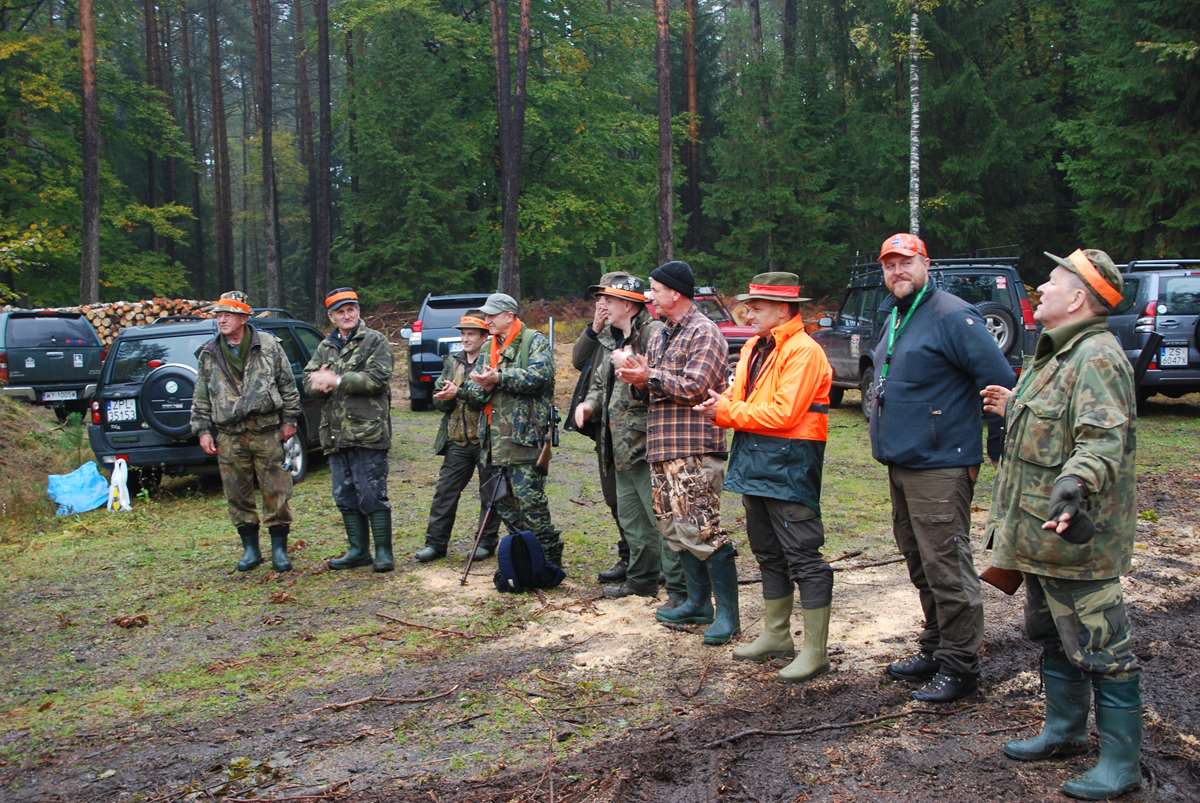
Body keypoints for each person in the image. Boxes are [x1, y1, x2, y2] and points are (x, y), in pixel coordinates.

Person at [980, 249, 1142, 800]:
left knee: (1105, 649)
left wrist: (1075, 484)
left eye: (1051, 281)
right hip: (1040, 536)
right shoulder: (1057, 352)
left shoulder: (1097, 357)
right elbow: (1060, 422)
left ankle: (1121, 764)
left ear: (1077, 299)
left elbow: (1102, 441)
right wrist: (1014, 405)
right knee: (1052, 636)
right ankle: (1065, 732)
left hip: (1077, 539)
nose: (1040, 288)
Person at [867, 232, 1015, 703]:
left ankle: (960, 667)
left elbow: (999, 381)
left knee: (947, 565)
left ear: (926, 264)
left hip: (941, 463)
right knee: (920, 561)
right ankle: (935, 647)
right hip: (903, 460)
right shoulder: (898, 314)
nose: (897, 271)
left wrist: (997, 443)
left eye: (905, 262)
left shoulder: (953, 315)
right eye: (889, 265)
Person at [695, 272, 834, 681]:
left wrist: (725, 411)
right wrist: (721, 404)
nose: (748, 313)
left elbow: (783, 414)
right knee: (768, 552)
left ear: (783, 309)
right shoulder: (755, 346)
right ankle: (777, 635)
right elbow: (739, 398)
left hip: (791, 464)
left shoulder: (804, 351)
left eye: (756, 307)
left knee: (803, 556)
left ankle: (815, 651)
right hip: (756, 461)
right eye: (748, 306)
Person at [615, 260, 738, 646]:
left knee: (702, 529)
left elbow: (697, 387)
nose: (650, 296)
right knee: (674, 530)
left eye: (655, 289)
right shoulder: (661, 335)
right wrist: (637, 379)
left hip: (694, 449)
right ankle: (696, 604)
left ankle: (728, 615)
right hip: (662, 447)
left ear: (675, 292)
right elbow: (652, 390)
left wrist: (649, 376)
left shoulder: (705, 332)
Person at [575, 275, 678, 600]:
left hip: (647, 444)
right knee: (632, 521)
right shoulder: (611, 337)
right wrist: (589, 405)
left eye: (609, 299)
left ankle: (679, 588)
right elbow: (599, 382)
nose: (602, 305)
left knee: (660, 519)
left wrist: (636, 371)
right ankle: (641, 581)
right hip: (617, 444)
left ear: (629, 306)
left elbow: (668, 384)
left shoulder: (654, 334)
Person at [190, 290, 301, 573]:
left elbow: (287, 384)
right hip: (229, 434)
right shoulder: (209, 353)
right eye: (219, 315)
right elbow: (201, 395)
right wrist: (202, 430)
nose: (221, 320)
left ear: (243, 318)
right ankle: (251, 549)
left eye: (228, 315)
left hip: (266, 430)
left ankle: (279, 549)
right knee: (236, 492)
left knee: (276, 489)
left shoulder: (269, 345)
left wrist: (290, 419)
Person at [454, 293, 563, 567]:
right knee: (502, 502)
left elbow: (540, 377)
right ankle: (526, 556)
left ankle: (550, 562)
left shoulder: (534, 342)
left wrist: (499, 378)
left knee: (531, 503)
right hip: (493, 442)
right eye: (486, 315)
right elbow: (476, 392)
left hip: (524, 438)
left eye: (492, 315)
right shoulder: (489, 346)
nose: (487, 320)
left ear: (509, 316)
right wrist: (470, 388)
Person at [304, 287, 395, 573]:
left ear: (358, 311)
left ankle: (383, 552)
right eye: (340, 312)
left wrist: (338, 380)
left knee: (372, 493)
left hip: (367, 432)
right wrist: (317, 384)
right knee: (344, 494)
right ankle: (358, 551)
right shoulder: (325, 346)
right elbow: (309, 378)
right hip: (335, 434)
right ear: (331, 317)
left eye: (351, 310)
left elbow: (378, 379)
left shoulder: (375, 341)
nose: (347, 315)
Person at [414, 311, 502, 562]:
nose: (465, 339)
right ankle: (435, 544)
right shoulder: (452, 362)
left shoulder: (492, 361)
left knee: (491, 494)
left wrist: (458, 392)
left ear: (484, 337)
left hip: (486, 440)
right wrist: (442, 396)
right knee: (445, 492)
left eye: (471, 334)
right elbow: (439, 394)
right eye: (463, 334)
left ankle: (485, 542)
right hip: (457, 440)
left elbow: (483, 398)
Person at [567, 271, 633, 583]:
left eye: (608, 298)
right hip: (603, 427)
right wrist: (594, 327)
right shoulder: (603, 332)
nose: (603, 304)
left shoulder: (637, 331)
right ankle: (628, 555)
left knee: (635, 500)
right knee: (613, 498)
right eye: (599, 299)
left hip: (630, 430)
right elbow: (578, 360)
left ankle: (647, 560)